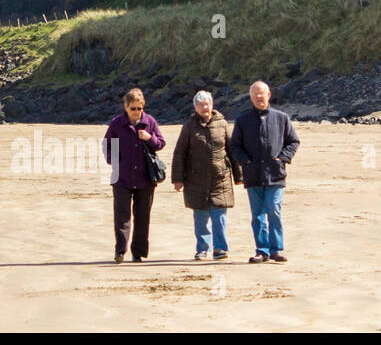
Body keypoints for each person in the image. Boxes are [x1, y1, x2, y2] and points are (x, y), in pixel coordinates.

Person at [229, 80, 300, 263]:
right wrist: (246, 161)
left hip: (275, 174)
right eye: (255, 94)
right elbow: (234, 147)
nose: (259, 97)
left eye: (262, 93)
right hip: (253, 175)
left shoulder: (281, 118)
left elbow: (293, 141)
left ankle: (277, 249)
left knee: (274, 210)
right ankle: (262, 250)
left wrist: (283, 158)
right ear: (251, 97)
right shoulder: (242, 120)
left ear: (269, 95)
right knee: (258, 215)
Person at [171, 90, 241, 260]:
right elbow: (179, 153)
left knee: (219, 216)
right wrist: (177, 179)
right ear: (195, 107)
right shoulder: (189, 126)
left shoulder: (222, 124)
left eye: (207, 104)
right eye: (201, 105)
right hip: (195, 179)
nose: (205, 107)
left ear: (212, 105)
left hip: (220, 178)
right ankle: (202, 249)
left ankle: (220, 249)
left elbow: (231, 150)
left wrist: (239, 176)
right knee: (201, 217)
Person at [103, 87, 165, 262]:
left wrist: (149, 137)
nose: (137, 112)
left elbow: (160, 144)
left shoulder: (150, 122)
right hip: (122, 178)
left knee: (143, 218)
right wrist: (115, 161)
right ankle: (120, 251)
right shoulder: (116, 123)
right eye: (133, 108)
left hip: (146, 179)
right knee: (122, 217)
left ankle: (138, 254)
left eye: (140, 108)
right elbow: (107, 145)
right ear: (126, 107)